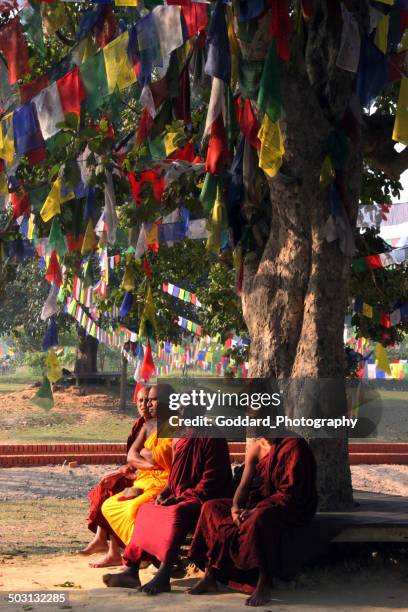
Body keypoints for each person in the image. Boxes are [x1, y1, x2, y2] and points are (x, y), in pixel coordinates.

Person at [187, 437, 317, 607]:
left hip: (289, 505)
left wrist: (253, 511)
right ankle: (210, 575)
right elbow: (243, 486)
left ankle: (263, 581)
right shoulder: (256, 447)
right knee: (211, 507)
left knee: (261, 517)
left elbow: (292, 493)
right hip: (258, 503)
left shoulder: (294, 445)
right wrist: (235, 508)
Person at [102, 436, 233, 594]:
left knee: (177, 512)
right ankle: (131, 571)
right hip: (181, 496)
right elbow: (173, 477)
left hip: (205, 497)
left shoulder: (213, 437)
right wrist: (164, 494)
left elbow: (212, 480)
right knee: (146, 509)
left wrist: (181, 498)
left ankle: (163, 575)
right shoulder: (179, 437)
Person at [96, 385, 173, 567]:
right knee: (108, 505)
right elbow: (132, 455)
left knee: (132, 511)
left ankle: (141, 556)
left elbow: (164, 456)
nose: (148, 405)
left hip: (164, 481)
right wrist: (150, 463)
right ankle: (141, 554)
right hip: (145, 478)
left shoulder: (175, 424)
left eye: (152, 400)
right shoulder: (148, 425)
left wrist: (146, 454)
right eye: (145, 400)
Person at [78, 385, 151, 560]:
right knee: (105, 485)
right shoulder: (139, 425)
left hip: (149, 479)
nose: (144, 404)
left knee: (116, 490)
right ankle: (104, 543)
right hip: (136, 475)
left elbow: (157, 463)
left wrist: (128, 474)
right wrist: (121, 472)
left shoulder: (163, 426)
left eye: (148, 400)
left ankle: (112, 549)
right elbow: (131, 458)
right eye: (140, 400)